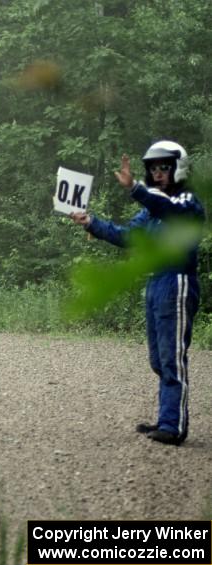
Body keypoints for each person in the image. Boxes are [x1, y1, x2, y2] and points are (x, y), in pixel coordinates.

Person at [69, 141, 205, 445]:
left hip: (178, 280)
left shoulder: (187, 202)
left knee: (172, 359)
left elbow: (167, 208)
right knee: (158, 359)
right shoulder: (151, 211)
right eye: (153, 168)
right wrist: (90, 221)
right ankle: (166, 417)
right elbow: (128, 236)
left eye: (163, 167)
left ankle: (174, 426)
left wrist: (135, 189)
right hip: (156, 282)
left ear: (177, 168)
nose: (158, 173)